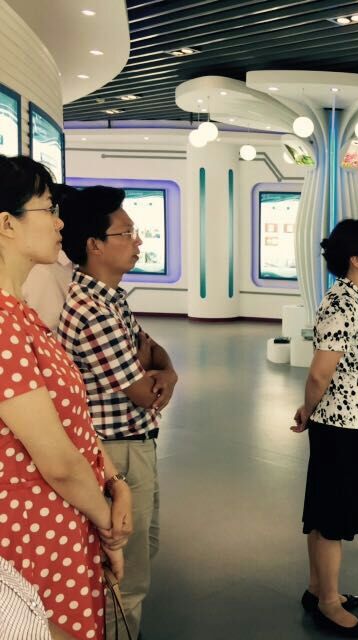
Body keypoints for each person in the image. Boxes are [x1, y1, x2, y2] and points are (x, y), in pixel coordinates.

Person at [0, 155, 131, 640]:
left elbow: (73, 423)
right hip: (34, 536)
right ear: (6, 224)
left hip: (64, 521)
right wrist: (108, 524)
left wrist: (114, 481)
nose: (60, 222)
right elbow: (56, 460)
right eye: (48, 208)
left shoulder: (21, 312)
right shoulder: (3, 323)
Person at [56, 186, 178, 640]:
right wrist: (156, 374)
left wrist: (166, 371)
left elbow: (153, 352)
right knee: (126, 575)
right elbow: (144, 393)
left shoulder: (111, 299)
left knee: (143, 548)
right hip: (118, 452)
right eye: (126, 233)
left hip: (132, 444)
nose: (137, 242)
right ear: (94, 244)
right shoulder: (93, 310)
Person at [292, 219, 358, 638]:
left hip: (355, 421)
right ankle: (329, 603)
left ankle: (318, 588)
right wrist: (307, 410)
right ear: (356, 259)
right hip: (341, 425)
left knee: (325, 510)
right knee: (332, 515)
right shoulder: (340, 304)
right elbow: (320, 373)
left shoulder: (355, 299)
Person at [21, 185, 77, 332]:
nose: (59, 223)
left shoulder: (69, 262)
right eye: (50, 210)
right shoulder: (41, 271)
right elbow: (46, 330)